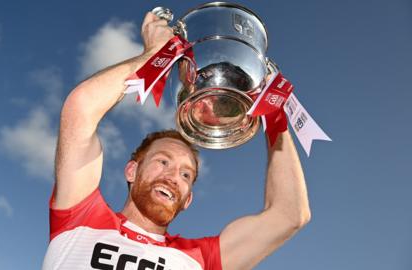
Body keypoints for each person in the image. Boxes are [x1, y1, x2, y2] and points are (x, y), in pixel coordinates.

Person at [42, 12, 310, 270]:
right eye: (163, 161)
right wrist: (153, 56)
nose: (173, 177)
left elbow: (289, 216)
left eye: (185, 174)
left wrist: (273, 113)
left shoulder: (200, 259)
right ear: (132, 170)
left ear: (188, 199)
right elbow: (81, 109)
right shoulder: (81, 216)